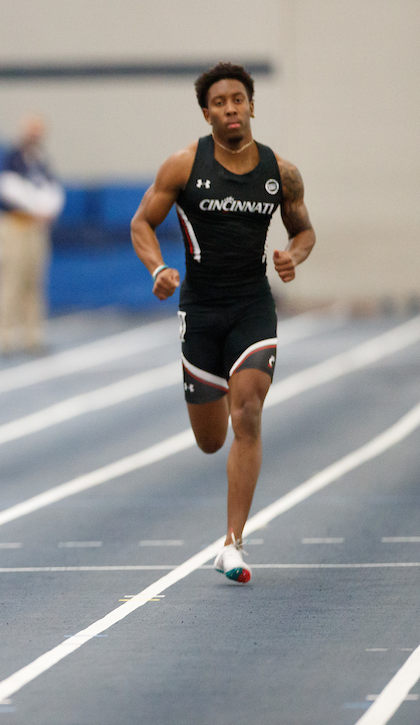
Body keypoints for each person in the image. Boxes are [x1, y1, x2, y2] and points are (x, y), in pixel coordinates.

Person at [130, 61, 315, 584]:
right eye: (219, 102)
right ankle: (206, 403)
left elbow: (304, 231)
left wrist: (293, 257)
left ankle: (233, 542)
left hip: (253, 305)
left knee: (249, 413)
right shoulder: (184, 165)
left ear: (252, 105)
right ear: (206, 112)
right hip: (202, 310)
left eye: (238, 99)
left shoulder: (282, 172)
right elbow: (142, 222)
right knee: (211, 440)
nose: (230, 109)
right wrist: (158, 268)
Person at [0, 114, 65, 354]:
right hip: (13, 225)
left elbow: (53, 189)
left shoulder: (40, 161)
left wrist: (49, 209)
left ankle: (33, 336)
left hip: (36, 227)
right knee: (10, 280)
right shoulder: (11, 158)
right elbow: (6, 188)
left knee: (34, 282)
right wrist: (38, 207)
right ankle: (6, 337)